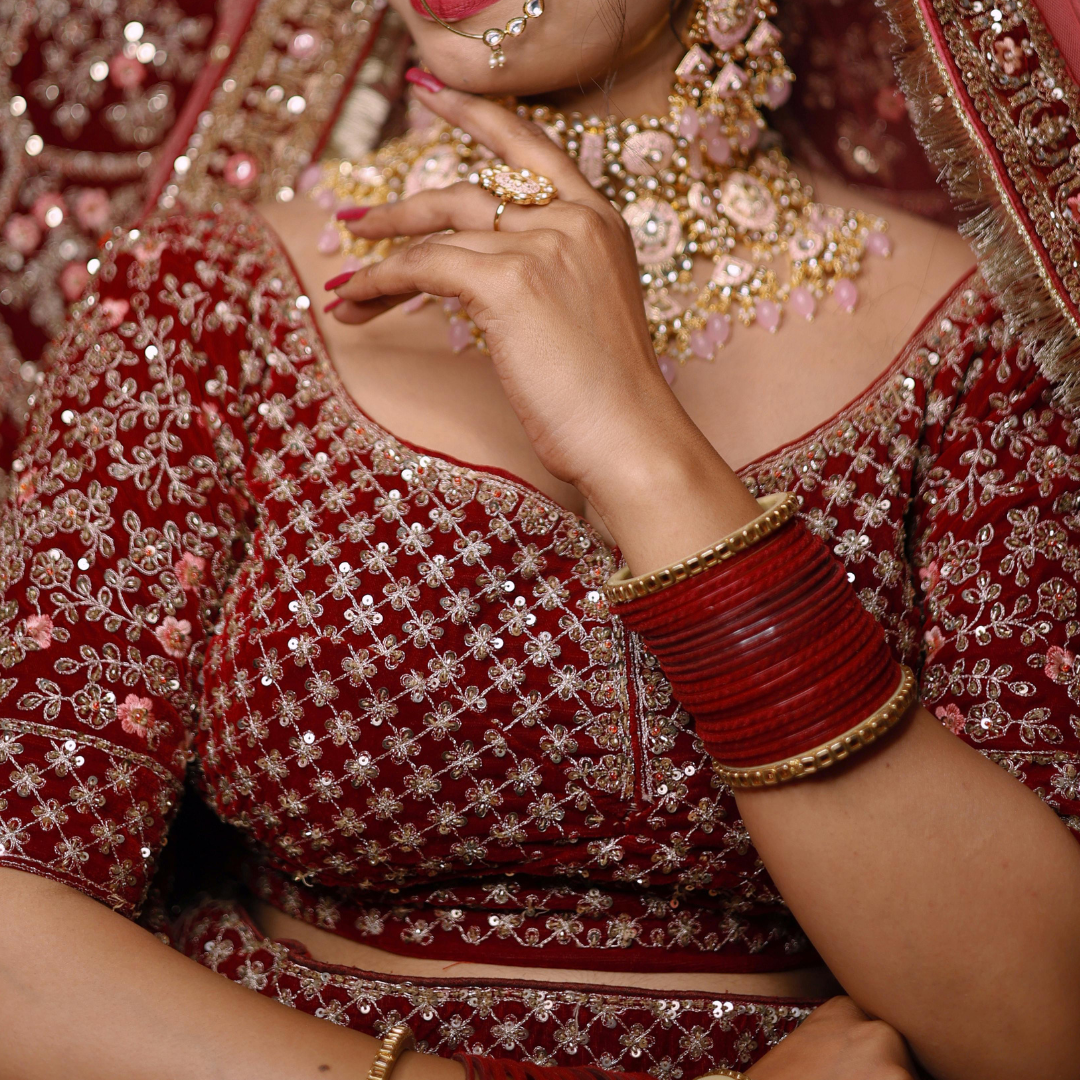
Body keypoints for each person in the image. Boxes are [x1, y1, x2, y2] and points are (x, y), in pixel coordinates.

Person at [1, 0, 1079, 1077]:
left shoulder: (977, 338)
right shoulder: (211, 298)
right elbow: (20, 948)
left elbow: (1039, 1028)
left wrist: (642, 445)